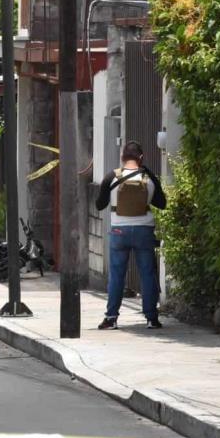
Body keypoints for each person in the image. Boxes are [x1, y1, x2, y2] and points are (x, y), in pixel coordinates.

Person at [95, 141, 166, 330]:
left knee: (117, 275)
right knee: (148, 274)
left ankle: (111, 318)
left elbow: (99, 205)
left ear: (122, 158)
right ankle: (152, 318)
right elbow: (162, 203)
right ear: (141, 158)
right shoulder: (148, 178)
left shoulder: (112, 176)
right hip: (144, 231)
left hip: (119, 231)